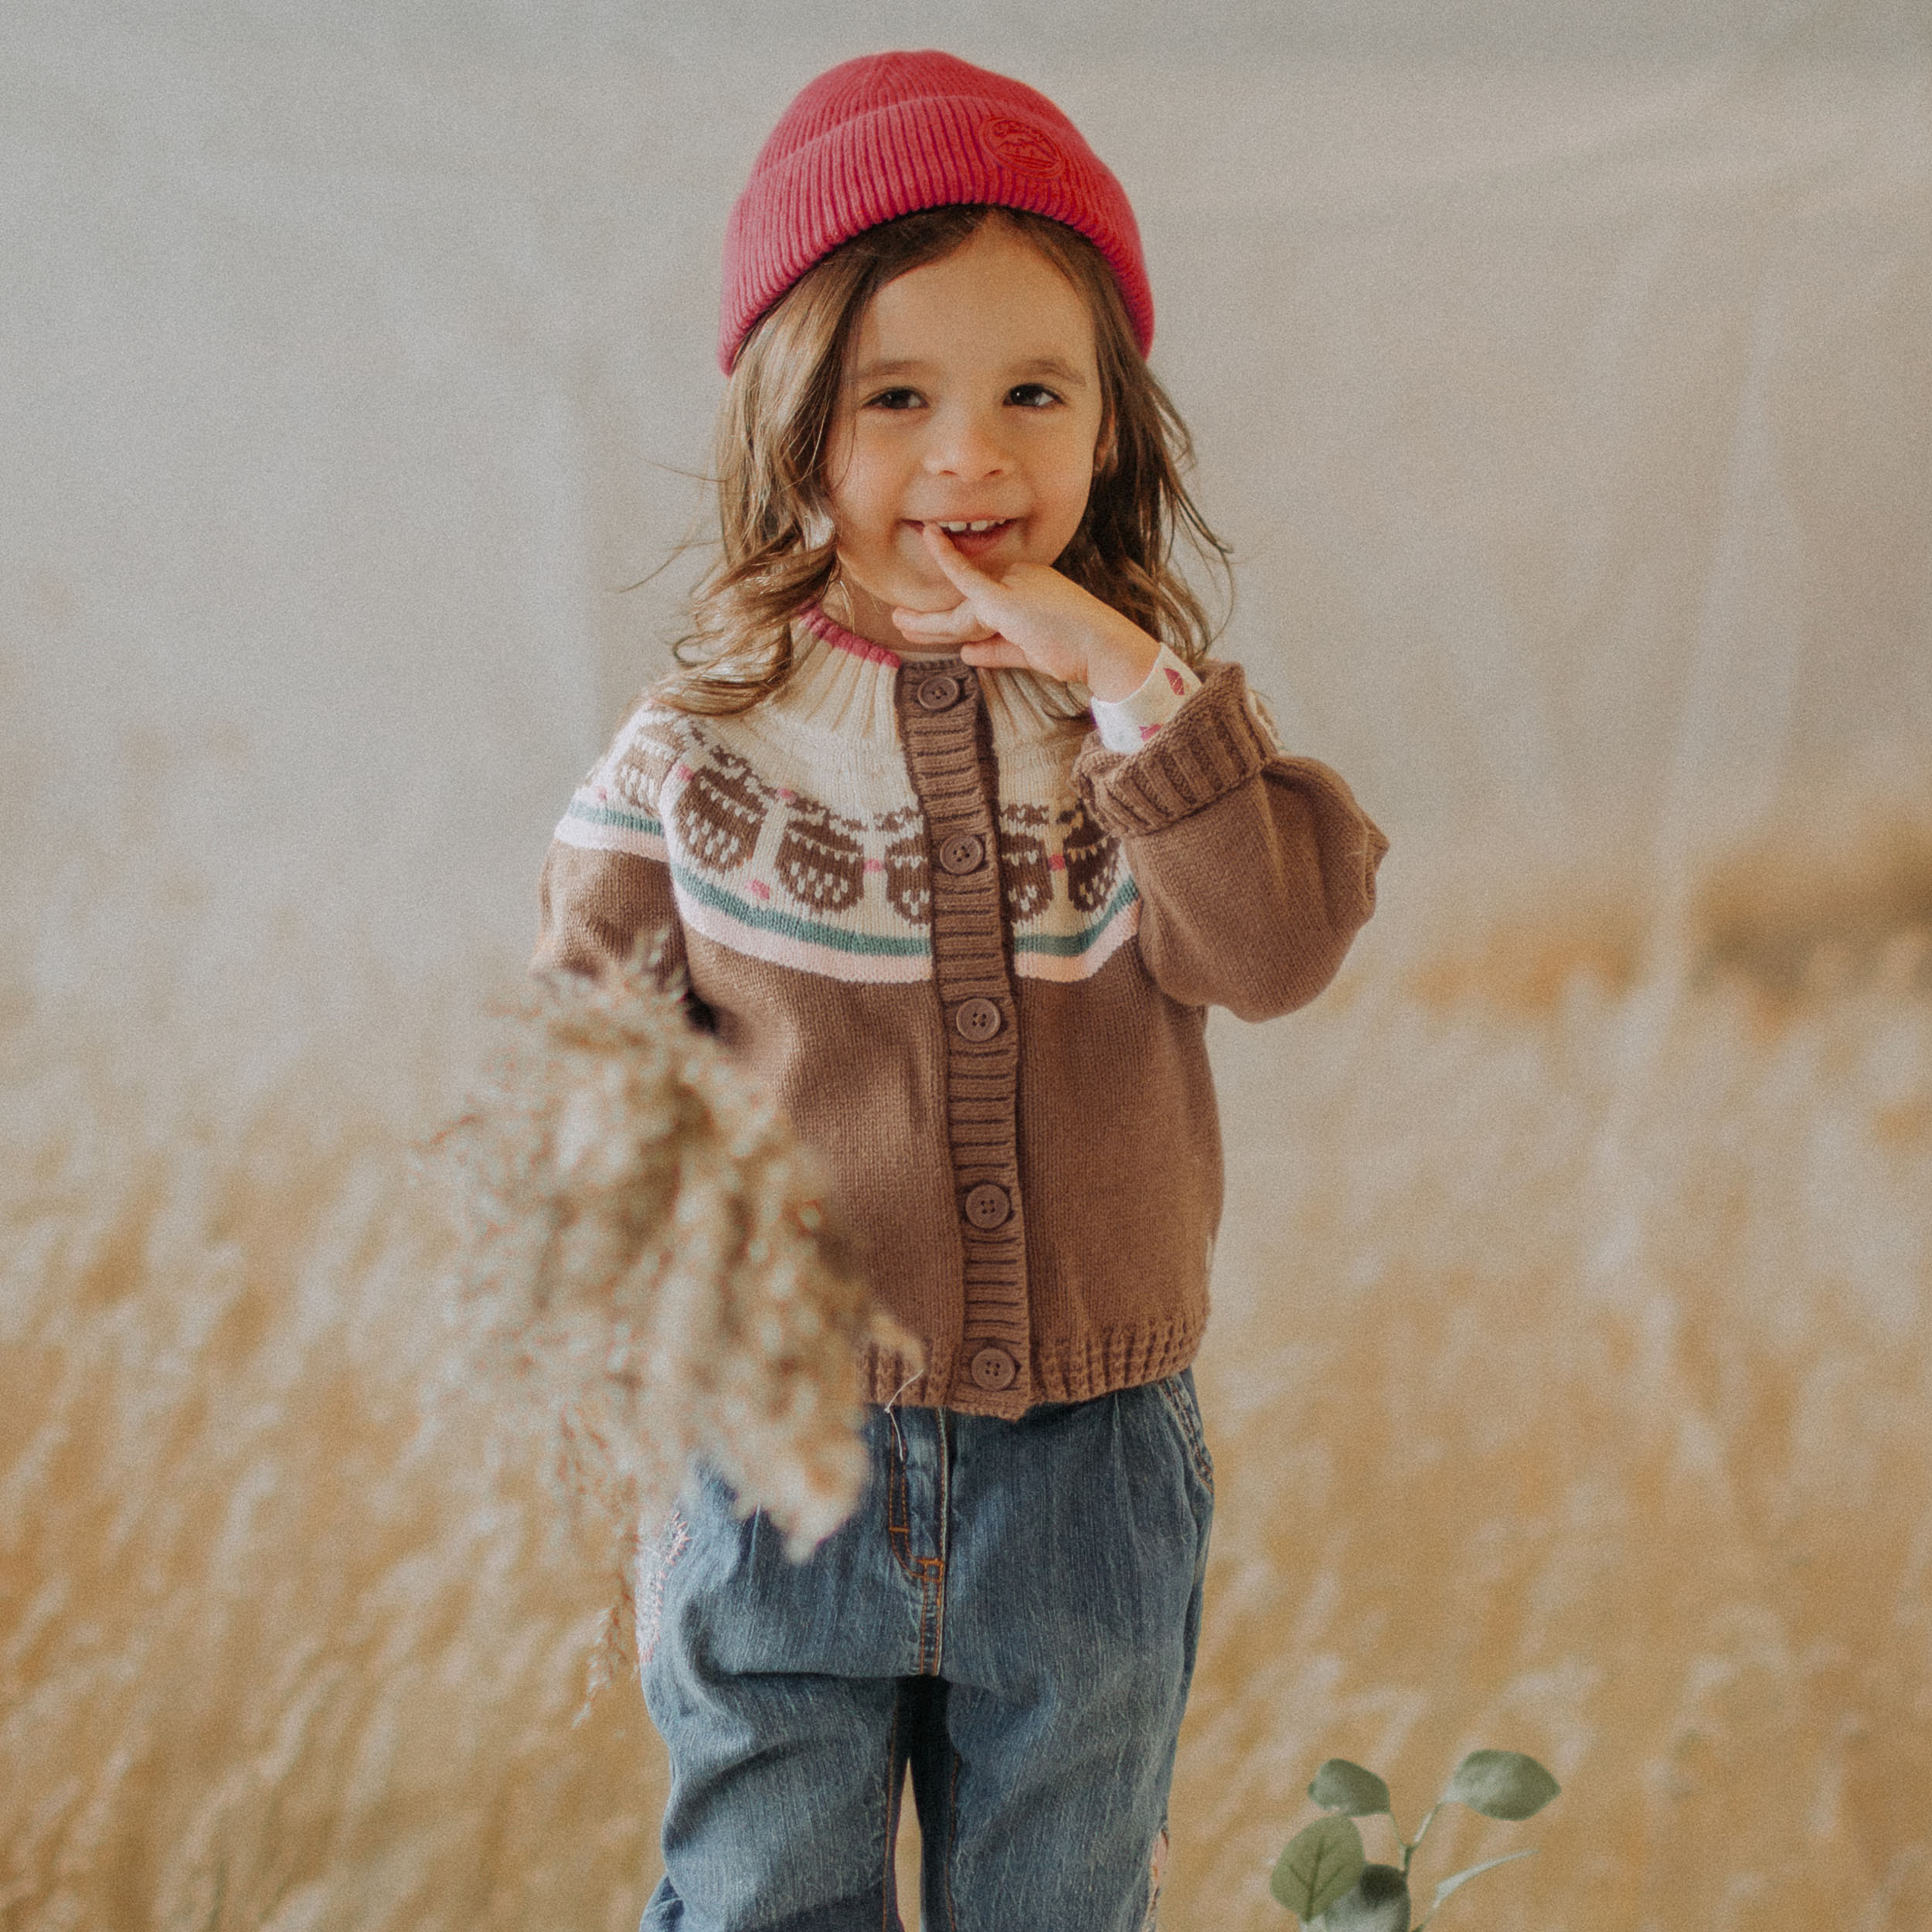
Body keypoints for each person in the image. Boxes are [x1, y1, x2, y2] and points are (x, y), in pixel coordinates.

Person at [532, 49, 1387, 1932]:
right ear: (793, 420)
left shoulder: (1142, 729)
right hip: (776, 1458)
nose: (968, 455)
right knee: (760, 1891)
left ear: (1109, 424)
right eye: (894, 397)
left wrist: (1118, 670)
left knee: (1062, 1899)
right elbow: (591, 1057)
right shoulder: (699, 745)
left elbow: (1267, 950)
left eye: (1032, 392)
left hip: (1089, 1463)